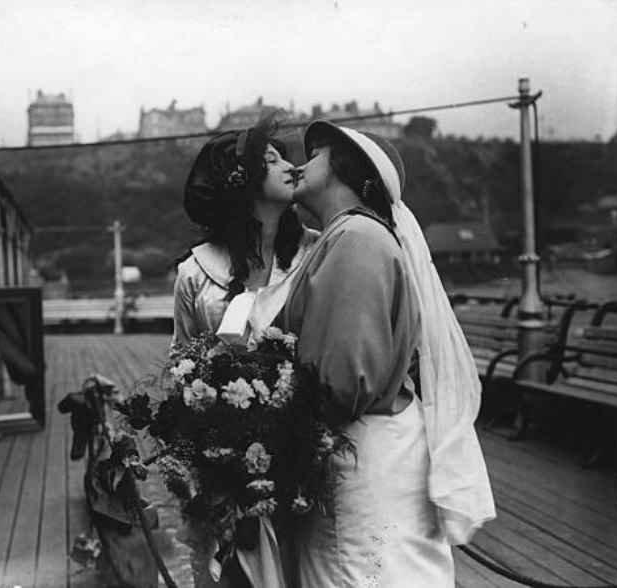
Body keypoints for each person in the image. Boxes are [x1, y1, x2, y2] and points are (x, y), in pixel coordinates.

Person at [280, 121, 496, 587]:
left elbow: (340, 382)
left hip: (362, 453)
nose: (300, 164)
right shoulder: (356, 236)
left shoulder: (355, 240)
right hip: (379, 446)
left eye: (314, 155)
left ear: (342, 165)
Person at [173, 117, 319, 587]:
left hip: (306, 452)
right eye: (271, 160)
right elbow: (183, 365)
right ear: (242, 185)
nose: (290, 166)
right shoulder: (195, 274)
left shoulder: (317, 253)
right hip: (228, 459)